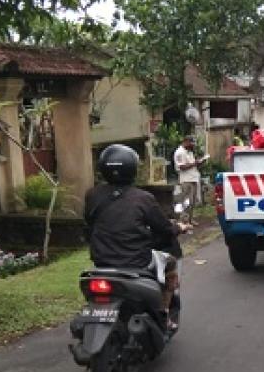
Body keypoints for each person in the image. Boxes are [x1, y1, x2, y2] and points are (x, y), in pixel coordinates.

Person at [86, 144, 191, 326]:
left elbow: (89, 222)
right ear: (132, 169)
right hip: (135, 261)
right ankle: (164, 313)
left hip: (101, 261)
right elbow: (164, 228)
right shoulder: (143, 198)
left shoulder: (93, 195)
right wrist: (179, 227)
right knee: (171, 264)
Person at [173, 134, 207, 216]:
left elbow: (192, 165)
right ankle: (184, 221)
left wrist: (200, 162)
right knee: (186, 202)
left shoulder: (189, 152)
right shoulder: (179, 152)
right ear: (186, 142)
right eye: (191, 143)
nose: (193, 145)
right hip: (186, 180)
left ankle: (190, 220)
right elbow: (182, 167)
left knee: (192, 202)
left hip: (193, 178)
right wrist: (195, 163)